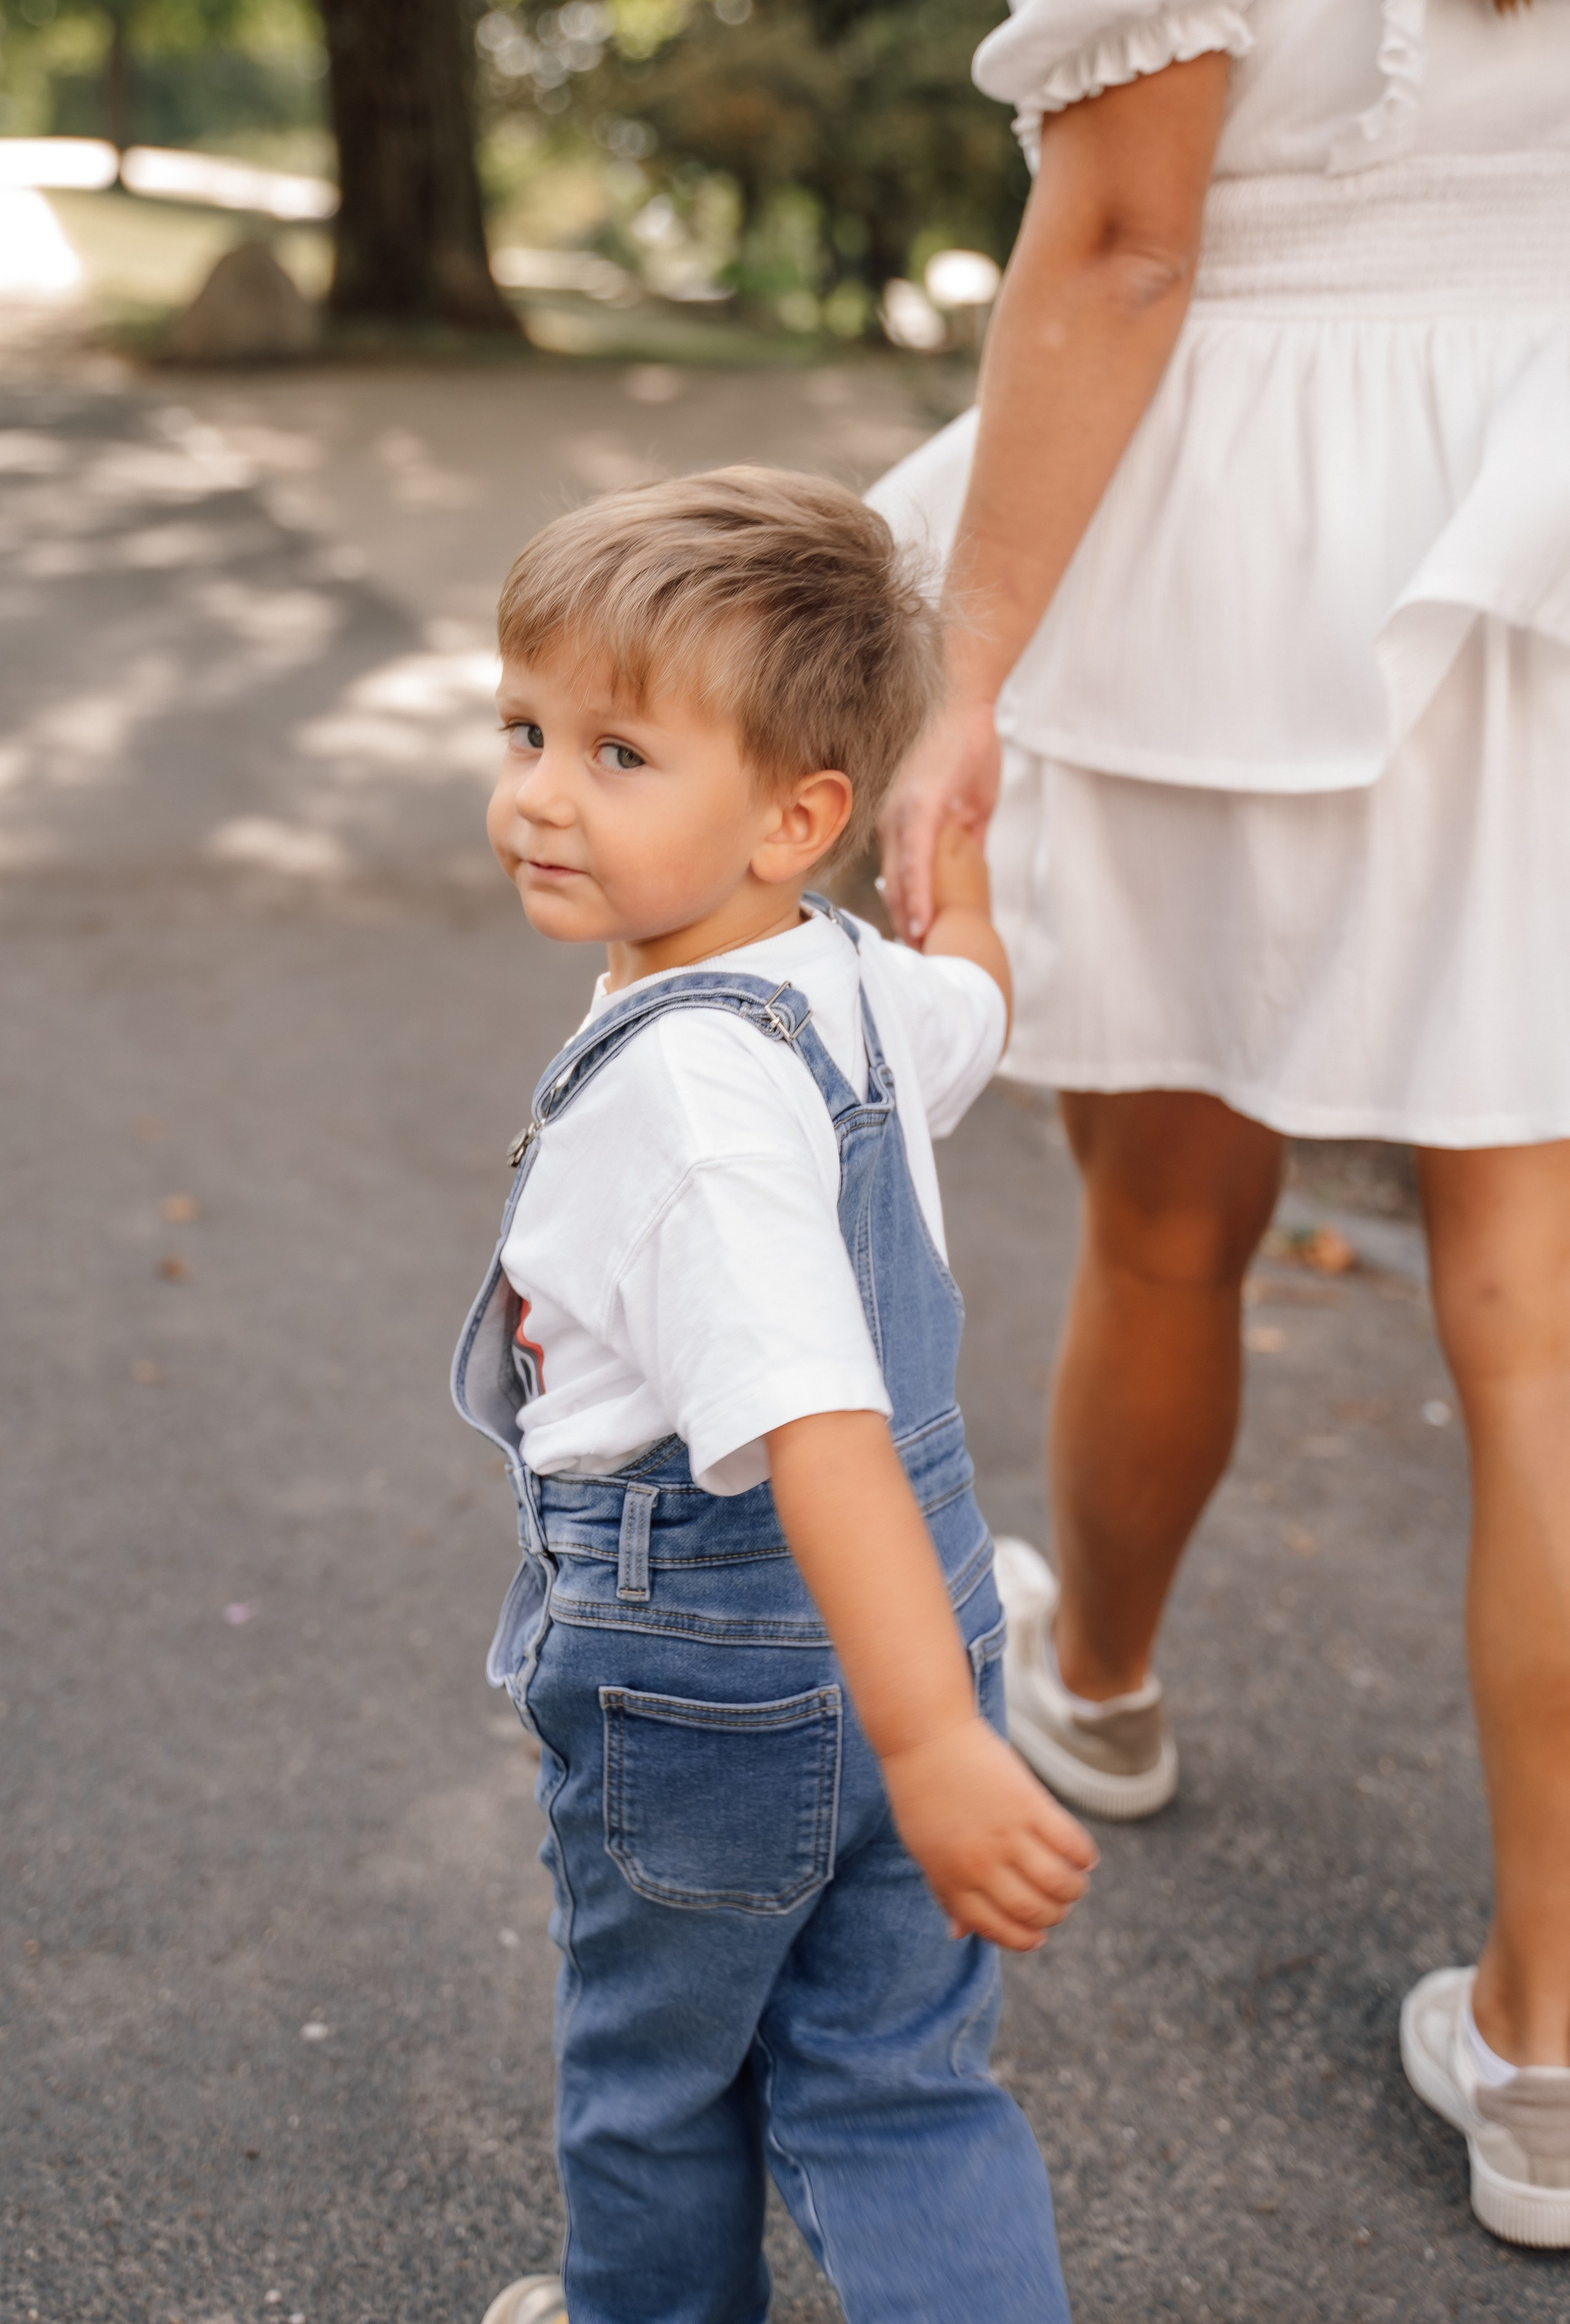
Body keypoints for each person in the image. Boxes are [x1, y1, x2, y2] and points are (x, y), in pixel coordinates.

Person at [873, 0, 1570, 2255]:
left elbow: (1133, 237)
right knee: (1539, 1309)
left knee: (1168, 1215)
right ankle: (1555, 2049)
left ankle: (1113, 1693)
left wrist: (963, 680)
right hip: (1545, 488)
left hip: (1250, 513)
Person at [453, 468, 1097, 2324]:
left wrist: (933, 1747)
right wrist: (953, 871)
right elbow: (972, 996)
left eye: (620, 754)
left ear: (791, 816)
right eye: (525, 727)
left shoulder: (685, 1105)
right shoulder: (848, 981)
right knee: (900, 2080)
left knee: (659, 2085)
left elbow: (814, 1425)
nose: (538, 794)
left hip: (718, 1681)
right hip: (933, 1618)